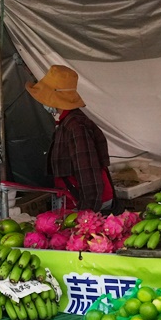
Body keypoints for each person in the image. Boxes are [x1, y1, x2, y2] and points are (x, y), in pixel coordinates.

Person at [26, 64, 116, 212]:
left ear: (53, 99)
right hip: (75, 200)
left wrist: (87, 215)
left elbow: (88, 172)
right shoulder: (66, 123)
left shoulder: (75, 127)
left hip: (89, 204)